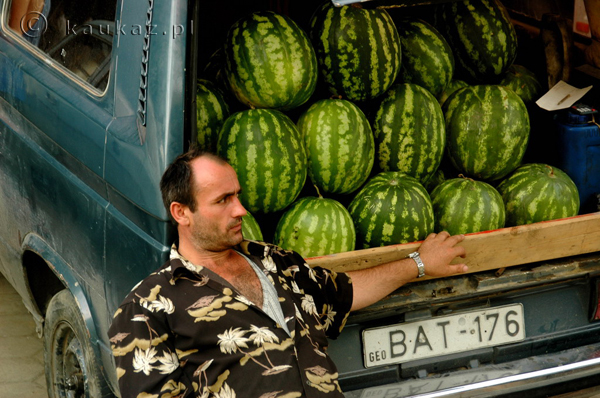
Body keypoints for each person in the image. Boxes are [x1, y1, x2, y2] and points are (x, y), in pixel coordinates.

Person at [107, 148, 468, 398]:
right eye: (223, 201)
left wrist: (418, 263)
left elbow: (344, 293)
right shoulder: (147, 307)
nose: (241, 210)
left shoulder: (277, 263)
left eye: (238, 195)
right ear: (181, 212)